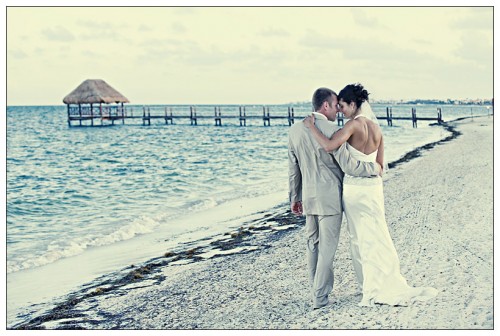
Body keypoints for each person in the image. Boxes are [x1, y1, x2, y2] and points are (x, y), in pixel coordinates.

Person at [304, 83, 438, 307]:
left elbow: (328, 146)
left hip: (355, 189)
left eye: (343, 106)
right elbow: (380, 166)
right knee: (377, 233)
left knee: (359, 238)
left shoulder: (352, 126)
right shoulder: (377, 129)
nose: (340, 111)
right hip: (374, 189)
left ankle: (370, 285)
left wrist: (311, 128)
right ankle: (376, 281)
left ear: (354, 105)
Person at [288, 87, 381, 309]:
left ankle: (316, 289)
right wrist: (373, 168)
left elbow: (293, 168)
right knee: (327, 252)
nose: (338, 112)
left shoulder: (294, 130)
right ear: (326, 105)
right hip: (330, 199)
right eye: (335, 106)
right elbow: (348, 165)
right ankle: (319, 298)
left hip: (309, 198)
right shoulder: (332, 130)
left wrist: (294, 197)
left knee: (313, 246)